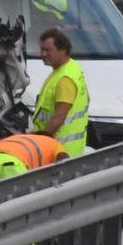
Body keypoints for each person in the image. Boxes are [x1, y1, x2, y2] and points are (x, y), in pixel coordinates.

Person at [32, 28, 90, 156]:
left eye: (48, 50)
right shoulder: (71, 67)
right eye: (42, 50)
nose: (43, 54)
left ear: (63, 50)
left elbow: (59, 116)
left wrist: (36, 142)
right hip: (67, 149)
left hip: (59, 150)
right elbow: (87, 98)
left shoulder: (65, 79)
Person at [0, 133, 70, 185]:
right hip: (11, 163)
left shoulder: (21, 137)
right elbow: (64, 158)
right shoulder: (54, 143)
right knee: (22, 201)